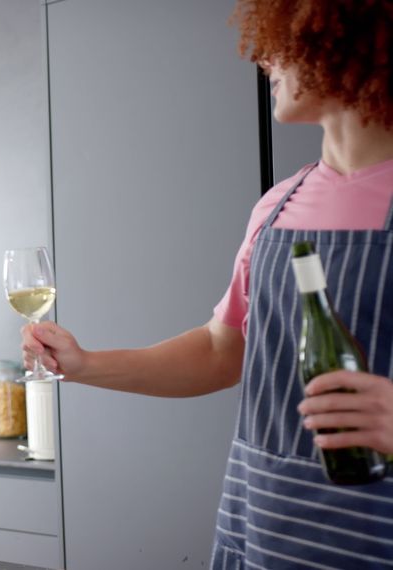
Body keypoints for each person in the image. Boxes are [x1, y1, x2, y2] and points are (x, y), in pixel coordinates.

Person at [21, 1, 392, 567]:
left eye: (282, 37)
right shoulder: (276, 209)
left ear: (345, 36)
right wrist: (84, 363)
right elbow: (223, 351)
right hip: (260, 527)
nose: (263, 56)